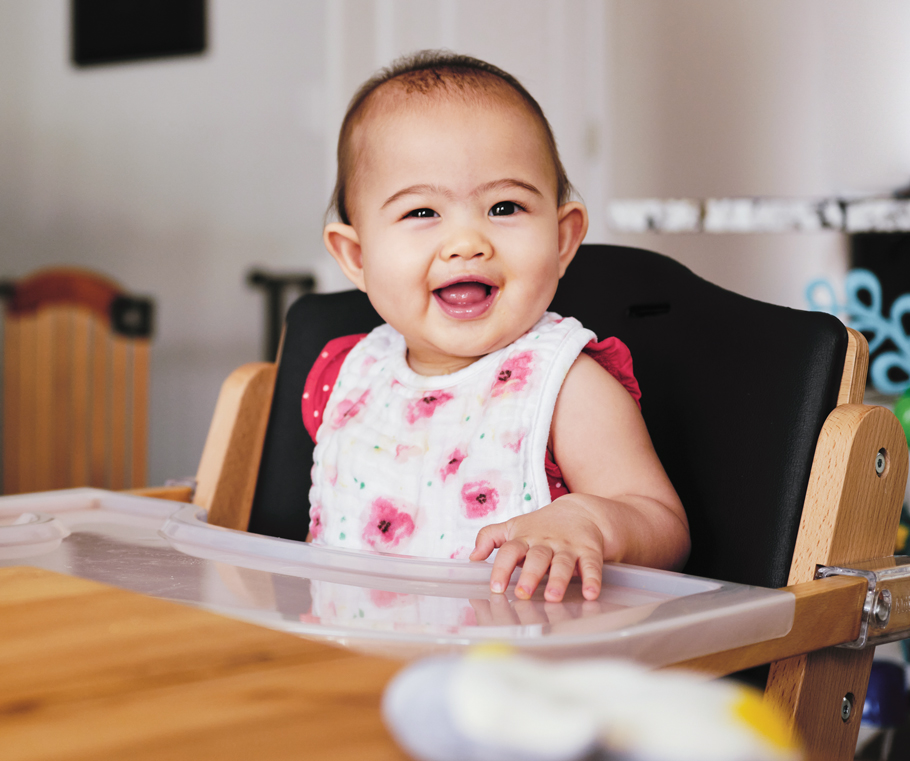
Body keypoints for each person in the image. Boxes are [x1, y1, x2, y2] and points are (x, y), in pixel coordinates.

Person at [304, 50, 689, 603]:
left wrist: (587, 520)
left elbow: (663, 527)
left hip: (516, 677)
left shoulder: (567, 387)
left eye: (504, 208)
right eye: (422, 213)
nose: (467, 242)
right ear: (356, 256)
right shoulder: (342, 378)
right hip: (352, 666)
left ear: (561, 240)